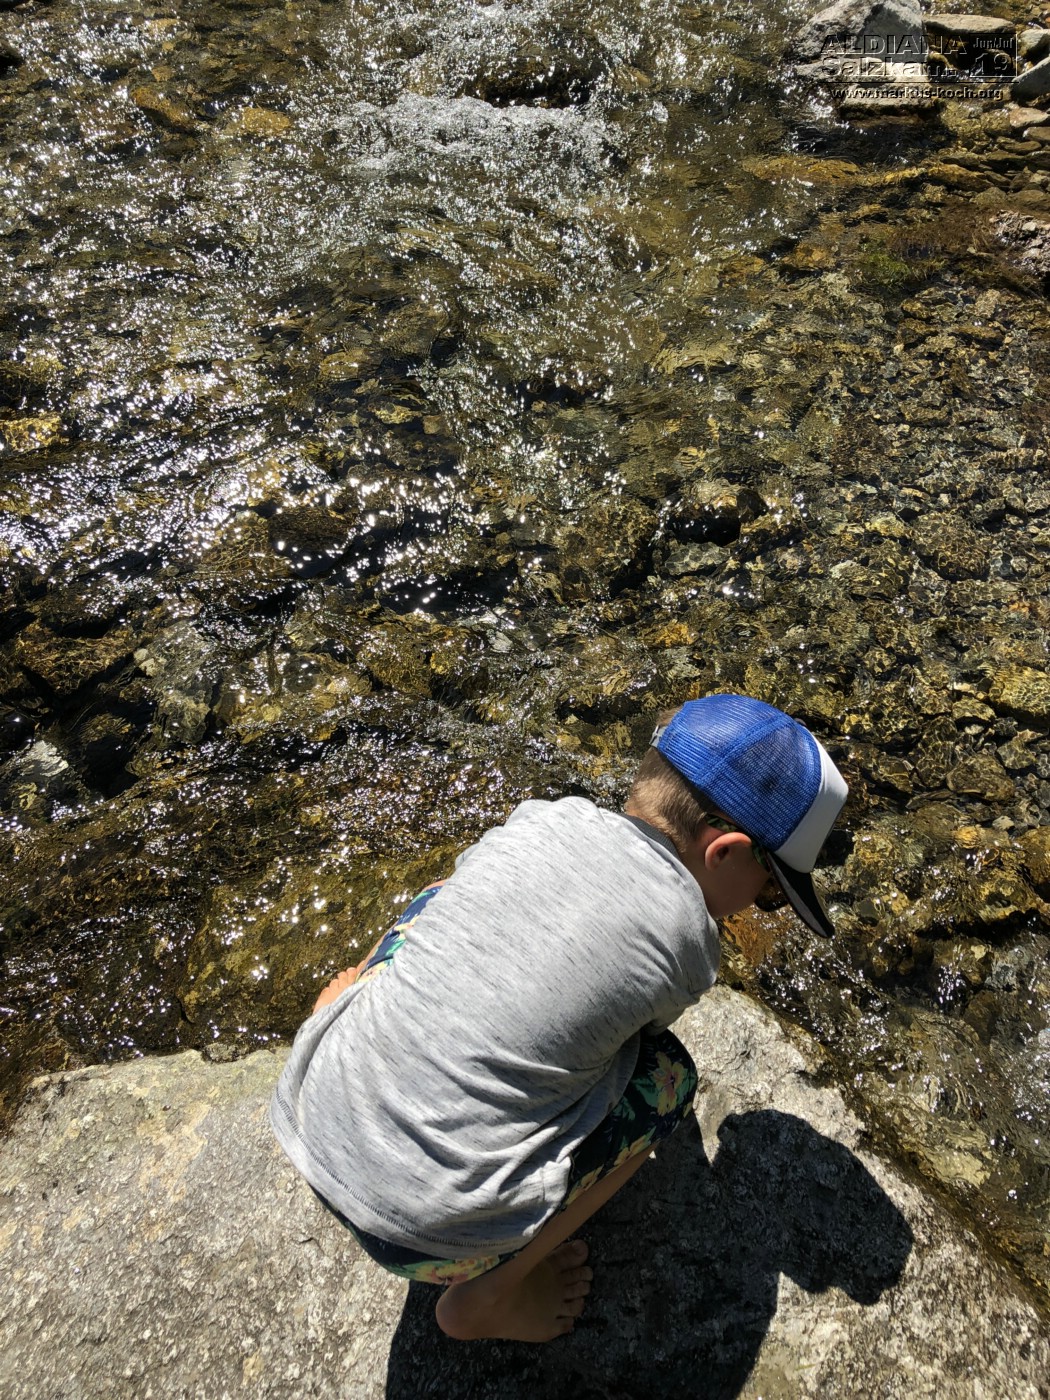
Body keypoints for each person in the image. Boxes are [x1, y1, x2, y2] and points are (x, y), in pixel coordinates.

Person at [270, 693, 848, 1343]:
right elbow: (639, 1037)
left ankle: (347, 1006)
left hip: (311, 1116)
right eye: (771, 893)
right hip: (429, 1241)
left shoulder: (545, 817)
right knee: (671, 1080)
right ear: (726, 853)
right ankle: (490, 1295)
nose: (761, 905)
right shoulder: (692, 945)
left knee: (441, 898)